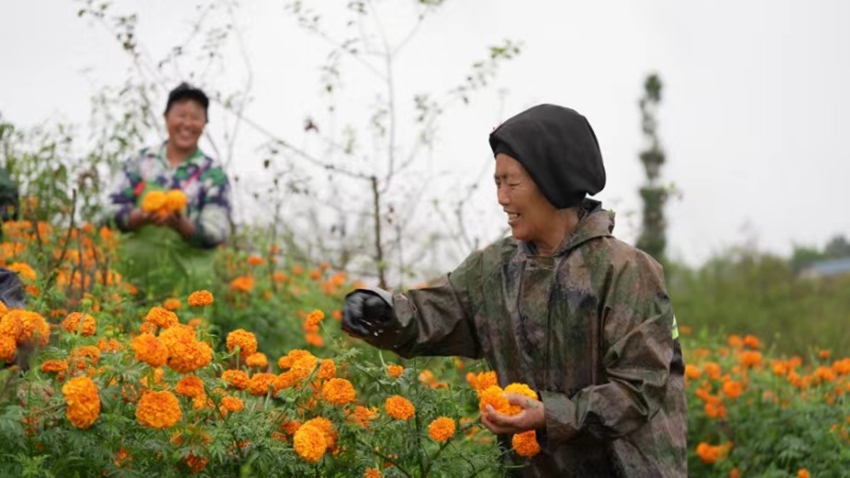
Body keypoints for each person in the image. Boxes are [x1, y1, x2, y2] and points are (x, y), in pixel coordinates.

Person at [342, 104, 687, 477]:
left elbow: (636, 392)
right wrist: (384, 312)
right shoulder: (496, 268)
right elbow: (439, 311)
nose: (502, 198)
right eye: (497, 183)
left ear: (552, 182)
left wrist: (547, 415)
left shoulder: (626, 273)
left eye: (512, 182)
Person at [106, 83, 232, 300]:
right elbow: (108, 211)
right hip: (128, 287)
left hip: (186, 292)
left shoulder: (213, 175)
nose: (187, 124)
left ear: (205, 124)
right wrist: (138, 217)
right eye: (181, 115)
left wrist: (181, 225)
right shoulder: (140, 162)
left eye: (196, 117)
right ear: (166, 117)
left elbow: (217, 232)